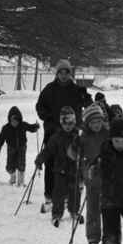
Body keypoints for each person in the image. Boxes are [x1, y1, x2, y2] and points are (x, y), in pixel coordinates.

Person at [35, 60, 91, 207]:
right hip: (53, 131)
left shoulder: (76, 89)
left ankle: (68, 192)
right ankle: (49, 194)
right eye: (61, 73)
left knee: (71, 161)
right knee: (51, 161)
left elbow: (88, 104)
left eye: (66, 73)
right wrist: (46, 115)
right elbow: (40, 105)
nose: (64, 76)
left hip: (72, 132)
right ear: (57, 73)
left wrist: (87, 97)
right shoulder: (49, 89)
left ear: (70, 74)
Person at [33, 106, 81, 227]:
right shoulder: (56, 137)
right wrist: (40, 159)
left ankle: (74, 210)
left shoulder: (78, 137)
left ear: (74, 122)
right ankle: (57, 213)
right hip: (60, 169)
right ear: (61, 123)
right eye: (65, 123)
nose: (68, 126)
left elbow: (84, 150)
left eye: (70, 123)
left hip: (74, 169)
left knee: (74, 190)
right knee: (58, 191)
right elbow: (48, 150)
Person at [70, 104, 109, 244]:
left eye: (98, 121)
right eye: (92, 123)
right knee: (93, 208)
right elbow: (72, 155)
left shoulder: (107, 134)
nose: (96, 125)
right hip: (91, 177)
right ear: (87, 124)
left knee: (109, 209)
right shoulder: (84, 137)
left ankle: (111, 237)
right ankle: (93, 237)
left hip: (108, 175)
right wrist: (75, 146)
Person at [0, 106, 39, 185]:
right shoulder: (6, 128)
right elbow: (1, 139)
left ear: (19, 120)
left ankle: (21, 181)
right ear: (10, 120)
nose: (15, 123)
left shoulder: (23, 125)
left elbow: (31, 128)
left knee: (21, 165)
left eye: (16, 121)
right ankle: (12, 179)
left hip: (21, 148)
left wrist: (35, 127)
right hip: (11, 149)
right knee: (10, 167)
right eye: (13, 121)